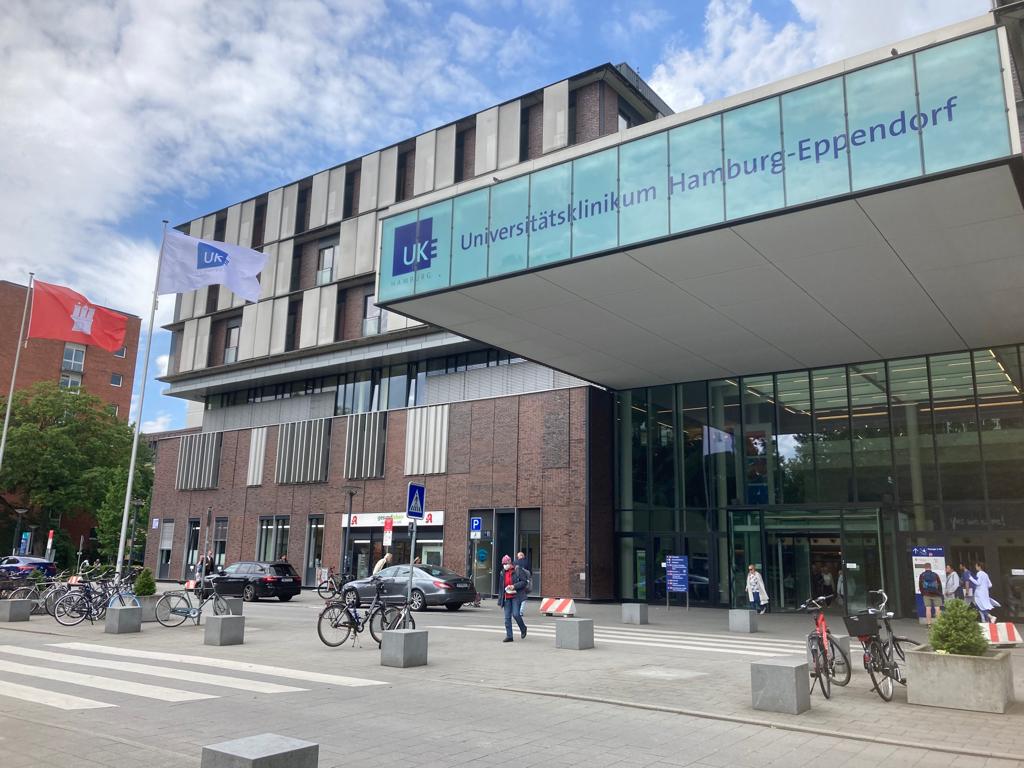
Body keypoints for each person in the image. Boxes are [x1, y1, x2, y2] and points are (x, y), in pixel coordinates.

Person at [497, 554, 528, 642]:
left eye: (505, 563)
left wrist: (514, 586)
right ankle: (509, 636)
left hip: (516, 596)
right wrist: (500, 601)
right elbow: (501, 587)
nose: (504, 565)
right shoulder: (503, 572)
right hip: (507, 596)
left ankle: (523, 628)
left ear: (510, 562)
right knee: (507, 618)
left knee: (516, 614)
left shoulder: (517, 570)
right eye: (503, 564)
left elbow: (524, 582)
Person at [515, 550, 531, 618]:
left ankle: (518, 610)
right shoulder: (527, 562)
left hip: (517, 582)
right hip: (525, 582)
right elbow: (529, 572)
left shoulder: (515, 562)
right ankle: (521, 611)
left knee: (517, 596)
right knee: (524, 597)